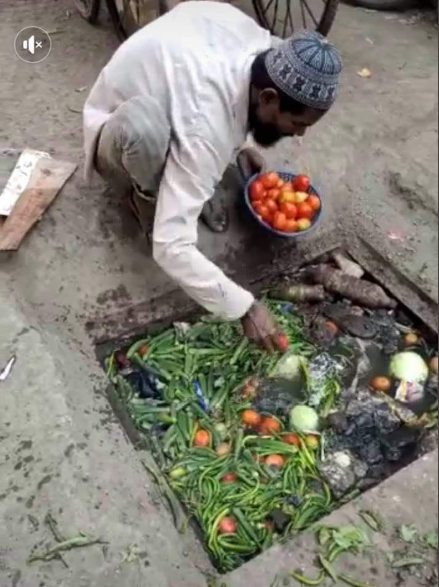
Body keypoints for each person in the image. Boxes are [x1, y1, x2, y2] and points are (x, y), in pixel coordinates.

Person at [83, 1, 342, 351]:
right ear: (268, 98)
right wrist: (243, 307)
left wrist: (239, 145)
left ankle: (191, 179)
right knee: (145, 132)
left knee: (202, 149)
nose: (299, 135)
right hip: (118, 133)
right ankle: (146, 196)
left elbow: (219, 100)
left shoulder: (262, 48)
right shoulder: (206, 125)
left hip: (180, 102)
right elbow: (170, 246)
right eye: (297, 123)